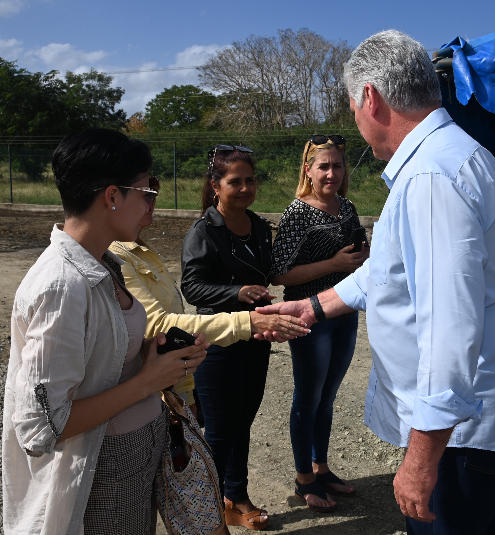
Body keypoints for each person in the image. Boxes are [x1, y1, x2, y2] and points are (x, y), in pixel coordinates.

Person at [257, 30, 495, 535]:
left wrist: (420, 457)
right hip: (467, 421)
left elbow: (450, 325)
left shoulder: (432, 178)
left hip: (462, 428)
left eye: (351, 106)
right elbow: (389, 270)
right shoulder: (444, 160)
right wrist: (315, 306)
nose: (355, 118)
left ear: (369, 97)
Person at [2, 129, 210, 535]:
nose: (152, 202)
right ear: (112, 196)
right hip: (102, 476)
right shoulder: (61, 286)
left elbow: (105, 357)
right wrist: (147, 382)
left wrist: (152, 356)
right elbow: (42, 427)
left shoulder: (103, 263)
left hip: (133, 460)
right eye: (147, 190)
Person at [109, 177, 309, 411]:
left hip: (187, 374)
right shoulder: (117, 256)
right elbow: (159, 322)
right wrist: (248, 317)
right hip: (159, 389)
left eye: (154, 196)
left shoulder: (142, 251)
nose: (151, 204)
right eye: (145, 195)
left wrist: (187, 393)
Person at [181, 144, 297, 530]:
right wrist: (236, 293)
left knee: (243, 420)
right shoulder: (204, 231)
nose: (245, 187)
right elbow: (192, 287)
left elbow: (270, 274)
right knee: (217, 429)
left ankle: (234, 496)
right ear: (216, 185)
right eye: (235, 181)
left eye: (250, 180)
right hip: (217, 343)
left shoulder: (260, 226)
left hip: (255, 338)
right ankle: (209, 509)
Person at [270, 135, 369, 512]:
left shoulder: (347, 207)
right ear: (307, 171)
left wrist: (361, 258)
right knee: (308, 398)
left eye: (337, 166)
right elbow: (279, 274)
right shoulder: (298, 213)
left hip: (343, 313)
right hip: (309, 317)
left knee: (327, 398)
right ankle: (303, 479)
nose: (331, 173)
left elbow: (355, 256)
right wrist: (334, 265)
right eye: (323, 166)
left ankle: (321, 468)